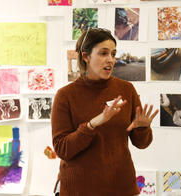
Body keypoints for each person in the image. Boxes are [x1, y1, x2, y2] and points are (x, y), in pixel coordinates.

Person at [51, 28, 158, 196]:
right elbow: (62, 149)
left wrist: (142, 128)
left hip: (121, 188)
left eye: (113, 54)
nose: (111, 60)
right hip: (79, 190)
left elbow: (142, 143)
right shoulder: (65, 95)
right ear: (86, 56)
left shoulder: (126, 89)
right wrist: (92, 124)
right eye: (103, 53)